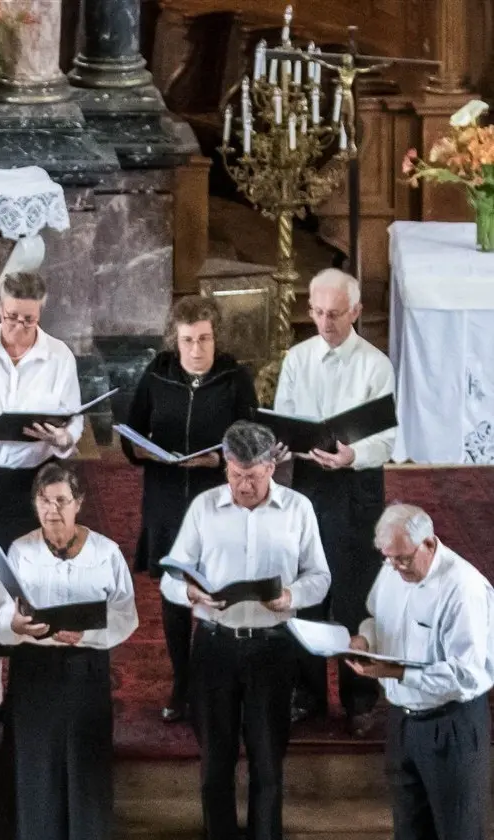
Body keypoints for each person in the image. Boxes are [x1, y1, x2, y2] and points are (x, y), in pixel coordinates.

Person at [160, 421, 330, 840]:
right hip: (216, 647)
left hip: (273, 648)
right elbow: (169, 577)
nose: (243, 486)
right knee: (215, 761)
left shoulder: (298, 509)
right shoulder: (203, 507)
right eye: (235, 475)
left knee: (268, 762)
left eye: (252, 476)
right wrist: (192, 593)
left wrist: (290, 596)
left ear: (272, 467)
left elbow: (321, 577)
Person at [0, 271, 82, 725]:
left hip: (34, 481)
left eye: (27, 319)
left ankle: (27, 676)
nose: (17, 327)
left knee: (27, 575)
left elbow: (72, 428)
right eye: (9, 317)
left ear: (41, 312)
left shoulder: (58, 355)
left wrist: (61, 435)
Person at [120, 295, 258, 723]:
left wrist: (217, 460)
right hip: (166, 497)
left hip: (217, 499)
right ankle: (182, 680)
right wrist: (147, 452)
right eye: (187, 341)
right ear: (174, 341)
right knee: (175, 590)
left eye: (204, 339)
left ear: (216, 337)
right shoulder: (157, 374)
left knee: (218, 588)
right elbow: (130, 434)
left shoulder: (235, 378)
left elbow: (254, 441)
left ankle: (217, 681)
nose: (196, 350)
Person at [274, 269, 395, 736]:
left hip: (356, 487)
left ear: (357, 312)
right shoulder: (296, 358)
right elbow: (286, 417)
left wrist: (351, 455)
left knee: (352, 594)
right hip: (307, 486)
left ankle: (359, 696)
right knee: (306, 588)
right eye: (319, 313)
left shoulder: (375, 365)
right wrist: (285, 444)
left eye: (336, 314)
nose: (326, 322)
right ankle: (307, 694)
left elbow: (385, 440)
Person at [0, 463, 139, 840]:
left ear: (79, 503)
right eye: (44, 501)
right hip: (34, 673)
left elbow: (126, 616)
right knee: (37, 767)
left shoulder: (106, 553)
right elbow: (1, 615)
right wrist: (14, 625)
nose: (52, 509)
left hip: (84, 671)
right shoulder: (20, 550)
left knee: (83, 768)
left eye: (61, 500)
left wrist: (87, 637)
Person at [346, 504, 494, 840]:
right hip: (403, 722)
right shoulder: (392, 569)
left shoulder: (462, 588)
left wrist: (398, 673)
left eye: (403, 559)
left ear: (428, 543)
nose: (395, 567)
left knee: (458, 831)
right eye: (388, 558)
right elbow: (375, 617)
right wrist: (365, 638)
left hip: (451, 725)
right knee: (409, 830)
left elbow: (466, 674)